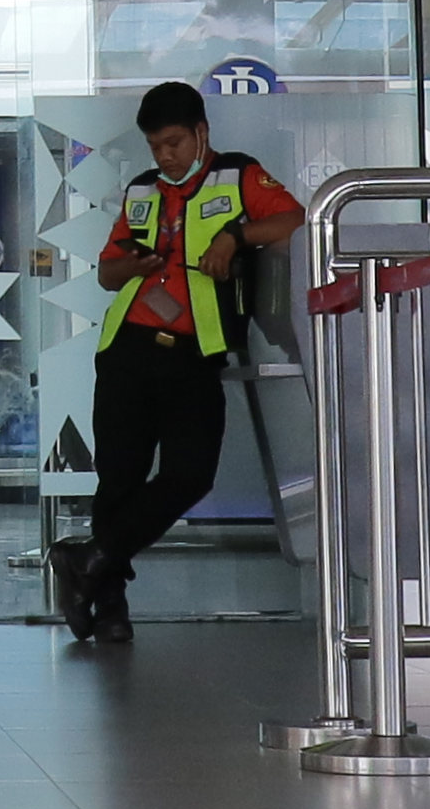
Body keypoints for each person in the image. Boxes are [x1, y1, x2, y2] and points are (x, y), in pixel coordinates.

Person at [59, 81, 302, 644]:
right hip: (127, 348)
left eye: (173, 143)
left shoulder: (239, 176)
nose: (165, 156)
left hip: (195, 353)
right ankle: (109, 604)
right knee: (118, 479)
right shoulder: (142, 191)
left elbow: (296, 221)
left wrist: (236, 236)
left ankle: (88, 562)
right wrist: (137, 265)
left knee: (190, 475)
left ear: (201, 132)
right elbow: (106, 273)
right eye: (155, 147)